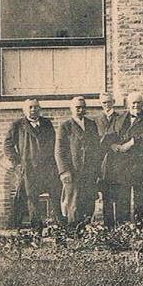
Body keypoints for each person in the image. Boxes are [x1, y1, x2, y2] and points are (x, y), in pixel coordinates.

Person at [3, 98, 63, 228]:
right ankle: (37, 229)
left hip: (48, 168)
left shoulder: (47, 123)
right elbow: (8, 146)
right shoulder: (18, 125)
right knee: (31, 198)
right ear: (24, 110)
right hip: (29, 169)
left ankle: (60, 226)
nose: (33, 110)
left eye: (36, 107)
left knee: (56, 195)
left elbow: (54, 143)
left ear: (39, 109)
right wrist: (17, 163)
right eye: (30, 107)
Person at [104, 92, 143, 223]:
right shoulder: (119, 119)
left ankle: (140, 225)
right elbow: (110, 134)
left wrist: (132, 142)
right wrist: (112, 145)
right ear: (128, 104)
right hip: (123, 165)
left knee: (140, 198)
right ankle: (124, 226)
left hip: (140, 164)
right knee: (123, 197)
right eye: (133, 103)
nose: (136, 105)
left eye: (138, 103)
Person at [55, 96, 102, 228]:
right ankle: (74, 235)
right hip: (73, 172)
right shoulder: (65, 126)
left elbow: (96, 148)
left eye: (83, 107)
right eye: (77, 107)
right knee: (73, 204)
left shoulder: (91, 124)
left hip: (89, 172)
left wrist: (96, 170)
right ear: (71, 109)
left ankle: (87, 231)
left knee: (89, 202)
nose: (81, 110)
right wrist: (64, 172)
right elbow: (59, 151)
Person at [95, 92, 121, 227]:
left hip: (119, 162)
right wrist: (109, 143)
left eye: (109, 102)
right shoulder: (96, 120)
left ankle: (122, 226)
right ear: (101, 104)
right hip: (104, 163)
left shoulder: (121, 118)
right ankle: (108, 226)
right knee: (106, 197)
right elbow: (96, 141)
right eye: (104, 103)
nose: (107, 105)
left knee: (120, 196)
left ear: (114, 102)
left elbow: (122, 136)